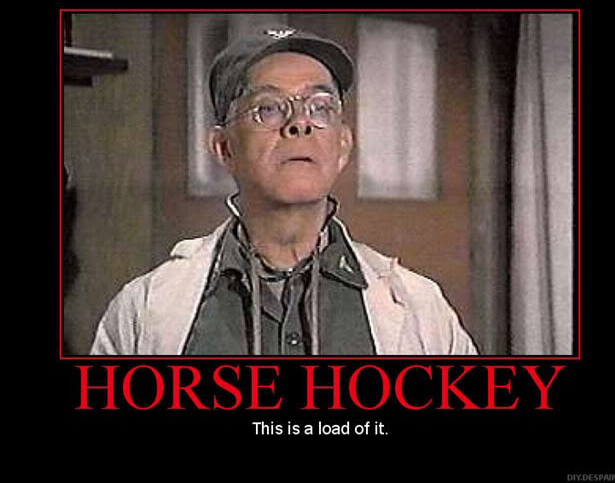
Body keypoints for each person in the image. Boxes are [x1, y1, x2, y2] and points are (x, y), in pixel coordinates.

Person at [90, 24, 478, 356]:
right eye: (269, 108)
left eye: (320, 107)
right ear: (224, 148)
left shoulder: (421, 309)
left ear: (343, 146)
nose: (299, 123)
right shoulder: (145, 310)